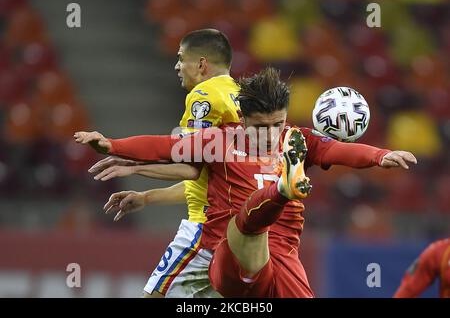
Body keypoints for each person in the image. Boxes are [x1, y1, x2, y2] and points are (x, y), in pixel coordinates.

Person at [75, 67, 417, 297]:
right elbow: (165, 145)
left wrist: (379, 156)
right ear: (242, 118)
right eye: (261, 126)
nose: (270, 135)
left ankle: (282, 189)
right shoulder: (218, 141)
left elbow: (340, 150)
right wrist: (112, 144)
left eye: (277, 124)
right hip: (227, 255)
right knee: (248, 226)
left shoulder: (298, 138)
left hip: (283, 258)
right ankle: (283, 189)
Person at [91, 28, 241, 298]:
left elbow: (190, 167)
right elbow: (208, 181)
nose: (177, 66)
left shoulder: (205, 96)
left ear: (202, 64)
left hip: (205, 231)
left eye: (181, 58)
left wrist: (132, 165)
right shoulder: (241, 98)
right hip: (238, 234)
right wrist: (147, 197)